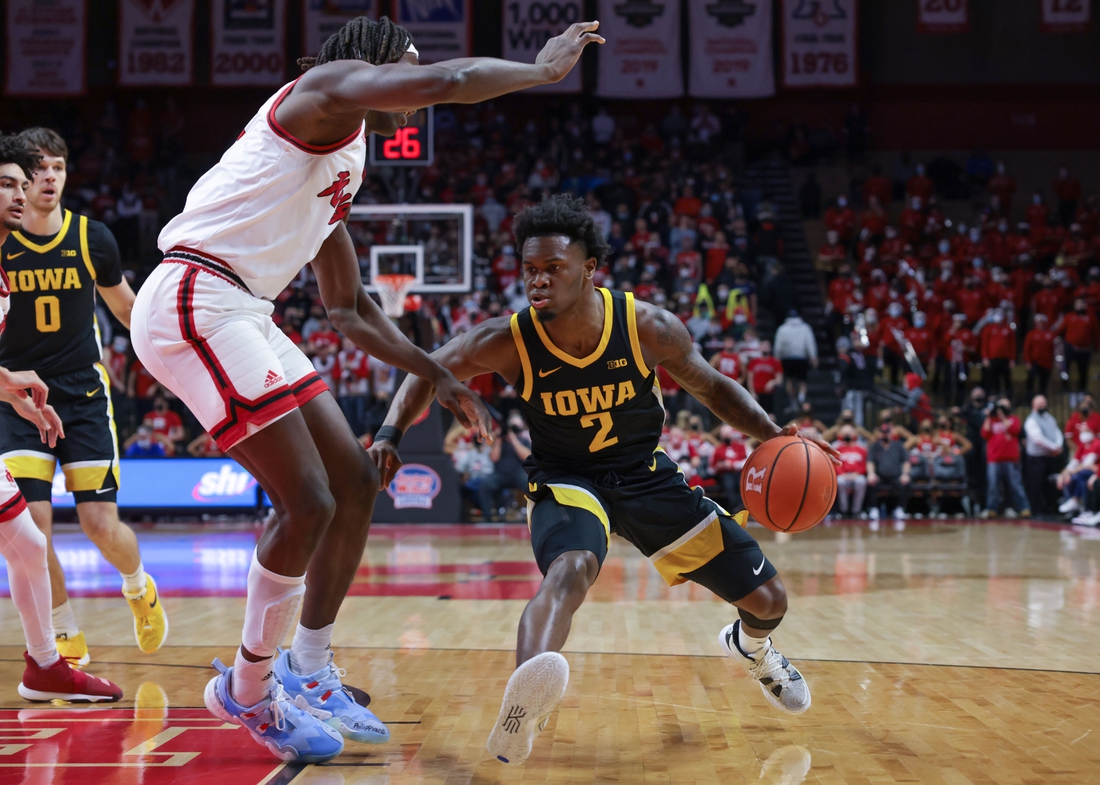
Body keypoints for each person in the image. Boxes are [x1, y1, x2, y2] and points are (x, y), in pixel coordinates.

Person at [132, 15, 602, 762]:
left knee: (353, 479)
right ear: (373, 66)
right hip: (196, 294)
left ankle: (309, 667)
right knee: (307, 501)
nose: (412, 90)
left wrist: (436, 372)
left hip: (244, 307)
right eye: (404, 69)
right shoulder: (320, 93)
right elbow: (446, 81)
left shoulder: (344, 156)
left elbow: (348, 307)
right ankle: (247, 690)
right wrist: (541, 73)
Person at [368, 195, 840, 766]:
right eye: (529, 271)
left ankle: (753, 646)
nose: (537, 282)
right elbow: (427, 367)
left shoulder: (646, 326)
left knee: (769, 600)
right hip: (567, 479)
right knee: (571, 569)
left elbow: (712, 387)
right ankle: (523, 701)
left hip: (644, 476)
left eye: (553, 269)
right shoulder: (508, 338)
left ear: (590, 268)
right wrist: (390, 434)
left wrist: (773, 434)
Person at [0, 127, 161, 669]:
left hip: (83, 394)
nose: (48, 178)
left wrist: (168, 351)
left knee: (98, 524)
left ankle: (138, 587)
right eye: (38, 168)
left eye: (58, 167)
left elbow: (124, 307)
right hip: (16, 397)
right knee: (32, 526)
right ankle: (63, 631)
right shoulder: (2, 240)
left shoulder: (93, 237)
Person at [980, 398, 1030, 518]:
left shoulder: (1013, 419)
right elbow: (984, 434)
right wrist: (988, 416)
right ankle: (992, 509)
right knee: (993, 486)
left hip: (1011, 458)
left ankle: (1024, 508)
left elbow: (1014, 430)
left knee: (1015, 485)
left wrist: (1003, 417)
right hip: (994, 458)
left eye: (1005, 406)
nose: (1001, 408)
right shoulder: (991, 420)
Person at [478, 411, 531, 521]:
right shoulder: (499, 441)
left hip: (518, 473)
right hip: (501, 474)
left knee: (532, 485)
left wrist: (514, 439)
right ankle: (487, 517)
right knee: (484, 484)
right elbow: (494, 458)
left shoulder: (524, 441)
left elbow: (526, 457)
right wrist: (499, 439)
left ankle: (530, 516)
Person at [1023, 395, 1063, 517]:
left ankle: (1049, 508)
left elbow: (1057, 432)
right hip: (1036, 458)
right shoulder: (1031, 420)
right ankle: (1038, 510)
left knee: (1049, 483)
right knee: (1037, 484)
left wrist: (1058, 445)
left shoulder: (1049, 418)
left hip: (1050, 457)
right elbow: (1038, 439)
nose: (1042, 406)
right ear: (1033, 405)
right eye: (1039, 403)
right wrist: (1054, 447)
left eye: (1044, 403)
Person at [772, 310, 817, 407]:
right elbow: (810, 343)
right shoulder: (805, 328)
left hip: (787, 359)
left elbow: (778, 346)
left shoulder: (782, 329)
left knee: (789, 380)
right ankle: (801, 397)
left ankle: (793, 400)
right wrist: (813, 356)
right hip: (801, 358)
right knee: (802, 380)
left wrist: (776, 358)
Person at [866, 424, 911, 520]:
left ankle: (900, 508)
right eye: (883, 432)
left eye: (887, 432)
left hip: (896, 476)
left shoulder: (898, 445)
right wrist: (871, 473)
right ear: (880, 433)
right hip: (880, 476)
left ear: (891, 433)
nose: (885, 435)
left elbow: (906, 462)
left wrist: (905, 474)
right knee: (871, 482)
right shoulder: (875, 446)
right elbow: (870, 462)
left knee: (906, 483)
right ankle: (874, 508)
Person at [833, 425, 868, 518]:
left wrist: (857, 473)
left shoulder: (861, 449)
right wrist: (842, 474)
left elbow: (864, 465)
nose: (847, 434)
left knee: (861, 481)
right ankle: (843, 510)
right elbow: (835, 464)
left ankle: (856, 511)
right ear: (841, 434)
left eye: (849, 432)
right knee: (839, 481)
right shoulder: (837, 449)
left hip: (857, 475)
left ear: (854, 434)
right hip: (843, 475)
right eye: (845, 432)